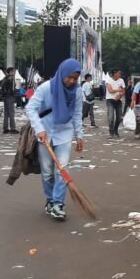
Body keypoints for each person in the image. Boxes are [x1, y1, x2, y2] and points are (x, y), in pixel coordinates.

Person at [25, 59, 84, 221]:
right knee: (47, 172)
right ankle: (50, 200)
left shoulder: (77, 92)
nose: (71, 81)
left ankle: (58, 203)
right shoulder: (46, 88)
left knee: (62, 169)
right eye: (69, 77)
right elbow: (30, 108)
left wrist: (79, 135)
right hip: (45, 133)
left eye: (75, 78)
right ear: (62, 74)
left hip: (64, 133)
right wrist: (39, 129)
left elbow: (78, 114)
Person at [105, 69, 125, 138]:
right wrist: (118, 90)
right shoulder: (108, 80)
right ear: (114, 74)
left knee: (119, 117)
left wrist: (120, 96)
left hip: (118, 100)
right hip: (110, 100)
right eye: (118, 73)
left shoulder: (121, 80)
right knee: (111, 117)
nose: (120, 74)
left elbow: (123, 91)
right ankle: (111, 133)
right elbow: (110, 90)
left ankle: (116, 130)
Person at [0, 67, 18, 134]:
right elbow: (13, 89)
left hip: (5, 97)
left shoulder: (5, 78)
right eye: (13, 71)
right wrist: (14, 93)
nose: (14, 73)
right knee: (11, 113)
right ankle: (13, 128)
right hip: (10, 96)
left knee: (6, 113)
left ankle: (5, 128)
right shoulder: (11, 79)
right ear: (10, 72)